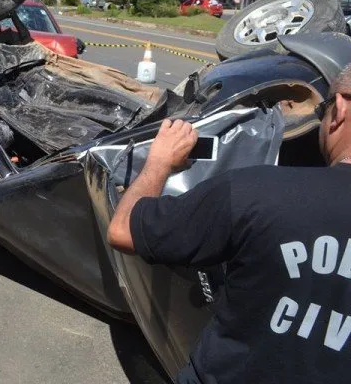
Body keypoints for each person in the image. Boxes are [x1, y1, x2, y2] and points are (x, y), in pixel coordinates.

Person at [106, 67, 351, 383]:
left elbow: (122, 229)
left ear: (341, 108)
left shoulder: (257, 193)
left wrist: (159, 162)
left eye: (323, 109)